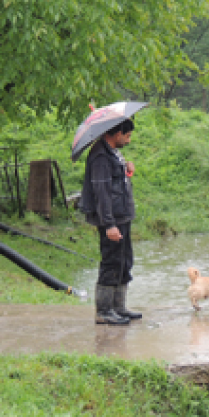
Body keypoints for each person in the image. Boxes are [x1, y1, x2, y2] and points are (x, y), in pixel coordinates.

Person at [79, 118, 141, 325]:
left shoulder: (113, 152)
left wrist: (127, 170)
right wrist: (109, 224)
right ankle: (104, 311)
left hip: (122, 215)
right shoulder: (100, 156)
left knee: (124, 261)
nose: (129, 140)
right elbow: (102, 192)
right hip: (112, 219)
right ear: (117, 134)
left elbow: (116, 181)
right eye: (127, 136)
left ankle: (118, 307)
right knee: (111, 262)